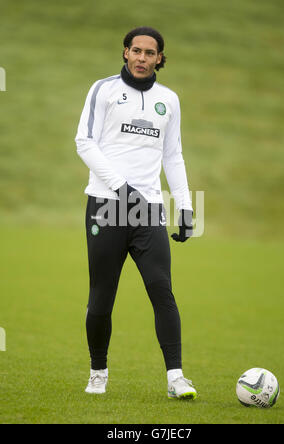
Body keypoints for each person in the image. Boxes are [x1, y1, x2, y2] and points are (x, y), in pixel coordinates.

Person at [75, 26, 197, 400]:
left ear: (160, 57)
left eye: (150, 52)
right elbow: (84, 142)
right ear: (125, 53)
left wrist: (186, 205)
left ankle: (176, 378)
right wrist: (121, 188)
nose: (143, 58)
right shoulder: (104, 90)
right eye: (136, 51)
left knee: (162, 290)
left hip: (148, 210)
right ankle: (98, 372)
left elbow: (172, 155)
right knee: (102, 297)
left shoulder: (169, 100)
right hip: (106, 206)